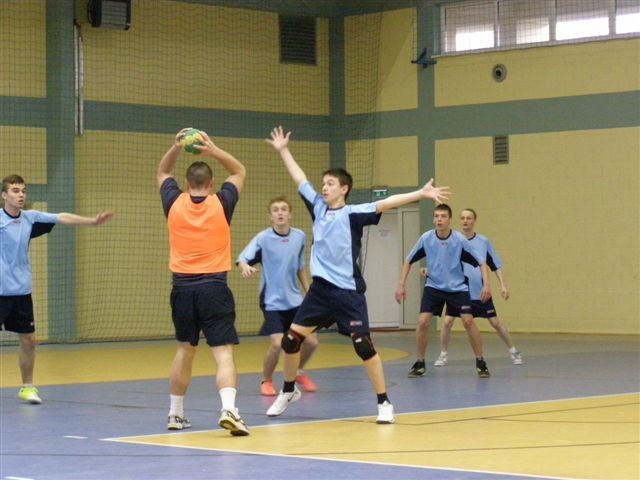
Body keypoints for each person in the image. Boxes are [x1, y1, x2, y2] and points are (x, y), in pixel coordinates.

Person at [265, 126, 450, 423]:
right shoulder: (317, 208)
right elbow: (300, 179)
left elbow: (388, 202)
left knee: (363, 345)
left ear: (344, 189)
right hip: (320, 292)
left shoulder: (354, 213)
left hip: (347, 292)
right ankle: (288, 391)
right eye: (323, 184)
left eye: (330, 184)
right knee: (290, 341)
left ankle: (384, 402)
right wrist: (283, 150)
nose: (324, 188)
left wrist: (421, 193)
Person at [157, 128, 249, 436]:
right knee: (222, 353)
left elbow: (163, 172)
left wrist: (176, 147)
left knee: (185, 349)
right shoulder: (221, 202)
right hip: (214, 287)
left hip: (182, 289)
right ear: (211, 184)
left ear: (186, 183)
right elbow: (239, 171)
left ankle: (175, 413)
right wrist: (213, 149)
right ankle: (229, 409)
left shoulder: (173, 201)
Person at [1, 174, 114, 404]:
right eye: (15, 190)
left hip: (21, 292)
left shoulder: (30, 218)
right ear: (4, 195)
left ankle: (27, 387)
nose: (21, 195)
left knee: (29, 340)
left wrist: (92, 221)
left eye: (23, 190)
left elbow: (62, 217)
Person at [395, 203, 491, 379]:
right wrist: (401, 285)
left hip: (457, 288)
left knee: (468, 321)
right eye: (436, 216)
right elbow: (408, 260)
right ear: (433, 219)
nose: (439, 219)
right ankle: (420, 363)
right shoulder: (426, 238)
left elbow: (481, 262)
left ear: (450, 220)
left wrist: (487, 286)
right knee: (423, 322)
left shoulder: (459, 240)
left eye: (443, 216)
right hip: (434, 287)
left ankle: (480, 361)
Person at [236, 195, 319, 396]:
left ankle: (298, 371)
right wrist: (245, 266)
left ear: (290, 215)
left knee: (311, 342)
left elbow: (300, 266)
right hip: (271, 301)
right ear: (270, 216)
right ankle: (266, 380)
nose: (280, 213)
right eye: (275, 210)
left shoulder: (299, 237)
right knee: (276, 344)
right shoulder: (263, 238)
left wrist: (308, 290)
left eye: (283, 209)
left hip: (295, 300)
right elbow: (242, 259)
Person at [433, 208, 522, 367]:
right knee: (447, 322)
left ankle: (513, 351)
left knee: (495, 322)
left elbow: (494, 265)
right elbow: (442, 263)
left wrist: (503, 285)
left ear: (474, 221)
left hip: (480, 291)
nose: (465, 221)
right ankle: (443, 354)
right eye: (462, 218)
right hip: (459, 292)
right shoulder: (454, 240)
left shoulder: (483, 242)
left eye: (469, 218)